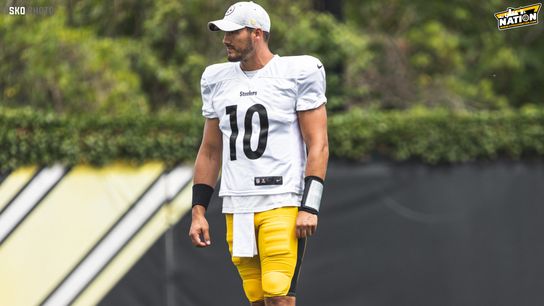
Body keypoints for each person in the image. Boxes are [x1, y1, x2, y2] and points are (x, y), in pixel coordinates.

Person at [188, 2, 328, 305]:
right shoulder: (216, 79)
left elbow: (318, 144)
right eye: (223, 33)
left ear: (257, 33)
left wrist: (310, 206)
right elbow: (210, 151)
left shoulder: (296, 73)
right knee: (256, 297)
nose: (225, 39)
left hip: (282, 199)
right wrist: (198, 210)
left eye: (233, 32)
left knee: (278, 294)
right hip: (237, 204)